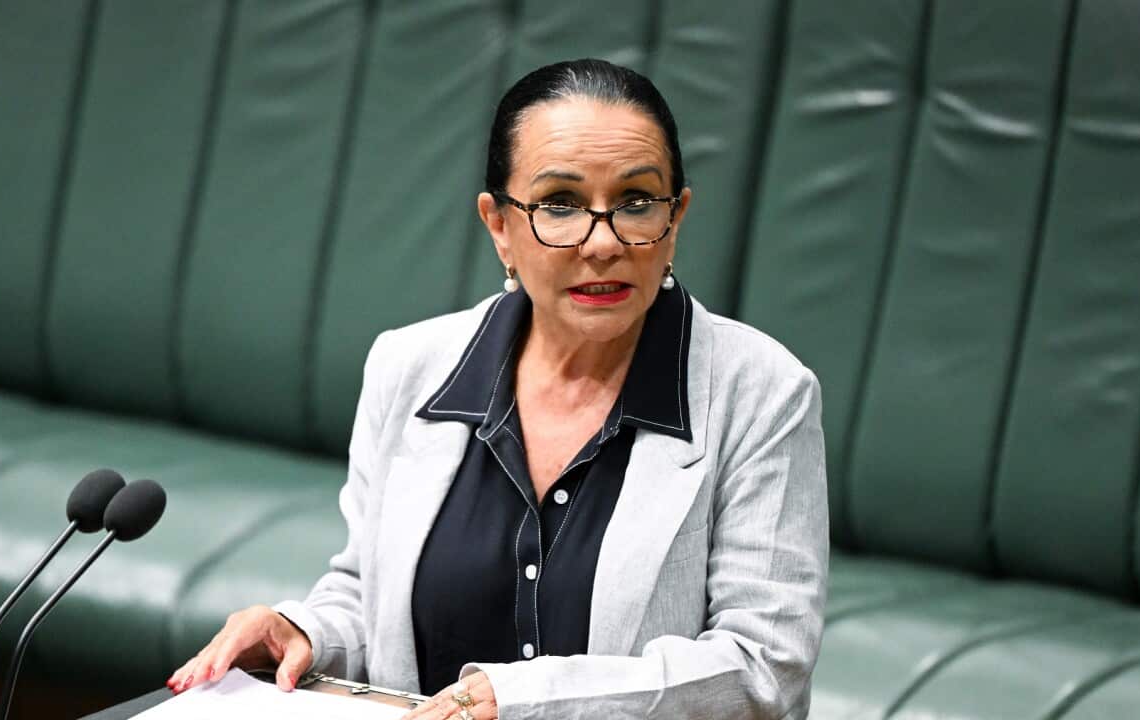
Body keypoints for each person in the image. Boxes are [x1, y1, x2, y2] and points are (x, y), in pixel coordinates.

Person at [168, 58, 828, 720]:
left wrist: (523, 701)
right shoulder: (410, 366)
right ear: (499, 226)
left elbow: (761, 667)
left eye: (635, 202)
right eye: (560, 205)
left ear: (676, 216)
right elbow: (371, 596)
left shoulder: (763, 394)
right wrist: (308, 635)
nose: (603, 242)